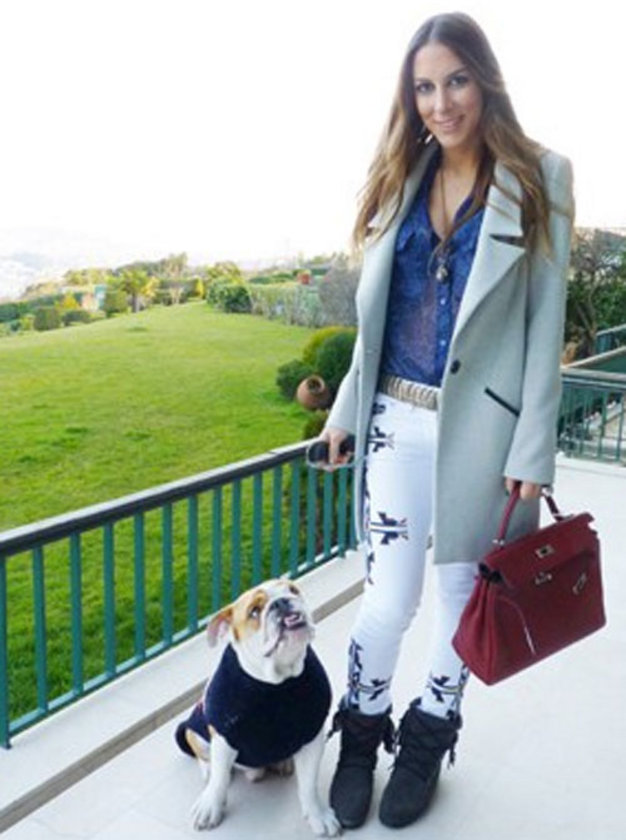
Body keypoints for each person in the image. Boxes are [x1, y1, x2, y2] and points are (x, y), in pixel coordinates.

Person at [317, 11, 575, 831]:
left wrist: (533, 447)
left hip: (485, 435)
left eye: (456, 80)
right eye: (425, 87)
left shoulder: (541, 177)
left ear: (485, 80)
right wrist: (345, 413)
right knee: (388, 599)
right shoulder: (399, 176)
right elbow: (378, 321)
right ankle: (361, 735)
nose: (441, 102)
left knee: (463, 600)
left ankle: (427, 737)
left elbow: (543, 320)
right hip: (395, 416)